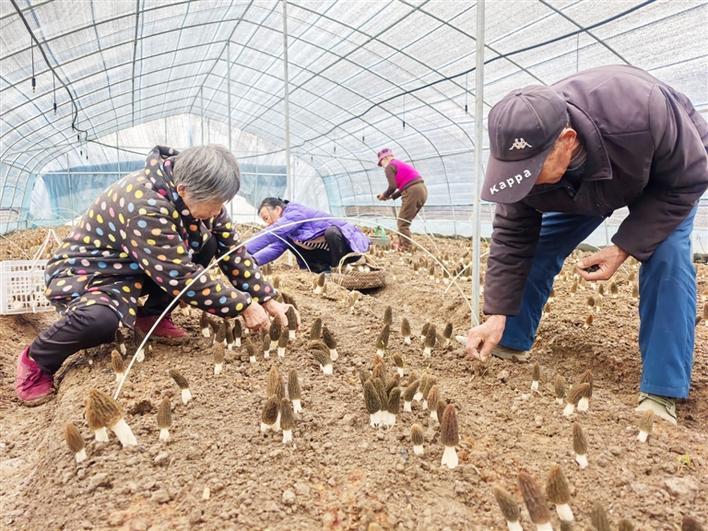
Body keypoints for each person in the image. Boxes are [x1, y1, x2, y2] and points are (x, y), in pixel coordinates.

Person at [465, 65, 707, 425]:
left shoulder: (641, 113)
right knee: (539, 245)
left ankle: (662, 390)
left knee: (666, 258)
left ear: (566, 140)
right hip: (578, 189)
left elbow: (688, 180)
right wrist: (496, 314)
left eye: (533, 169)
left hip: (663, 179)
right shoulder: (520, 164)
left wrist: (624, 246)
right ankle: (510, 339)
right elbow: (513, 240)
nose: (524, 181)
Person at [15, 145, 291, 406]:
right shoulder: (145, 206)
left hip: (140, 265)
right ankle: (37, 361)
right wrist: (242, 305)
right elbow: (181, 277)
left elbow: (231, 251)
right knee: (99, 321)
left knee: (206, 245)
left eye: (222, 204)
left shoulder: (202, 191)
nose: (218, 212)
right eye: (215, 204)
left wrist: (266, 298)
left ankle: (151, 317)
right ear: (183, 190)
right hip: (93, 271)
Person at [247, 198, 369, 273]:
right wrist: (252, 261)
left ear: (278, 209)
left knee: (331, 232)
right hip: (329, 255)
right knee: (290, 241)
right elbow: (275, 247)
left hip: (349, 250)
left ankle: (340, 269)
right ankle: (320, 269)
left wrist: (245, 250)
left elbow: (274, 232)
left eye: (266, 218)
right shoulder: (287, 229)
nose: (268, 223)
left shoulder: (295, 213)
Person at [375, 148, 428, 251]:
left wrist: (384, 195)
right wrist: (392, 196)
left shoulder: (389, 167)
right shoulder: (398, 164)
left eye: (381, 163)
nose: (382, 166)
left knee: (402, 223)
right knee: (404, 220)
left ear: (385, 158)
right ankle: (402, 243)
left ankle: (406, 247)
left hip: (413, 191)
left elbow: (392, 187)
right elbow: (406, 184)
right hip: (421, 189)